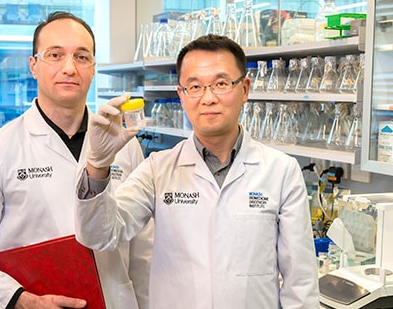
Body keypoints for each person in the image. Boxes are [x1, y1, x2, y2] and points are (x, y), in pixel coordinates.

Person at [75, 34, 319, 308]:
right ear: (181, 95)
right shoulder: (157, 169)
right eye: (194, 86)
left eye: (221, 83)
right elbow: (100, 235)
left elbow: (301, 283)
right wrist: (97, 165)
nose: (208, 98)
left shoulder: (281, 171)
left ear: (245, 89)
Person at [0, 11, 153, 309]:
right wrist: (20, 300)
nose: (69, 67)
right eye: (55, 54)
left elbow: (143, 245)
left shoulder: (124, 145)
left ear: (92, 68)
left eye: (81, 57)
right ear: (34, 66)